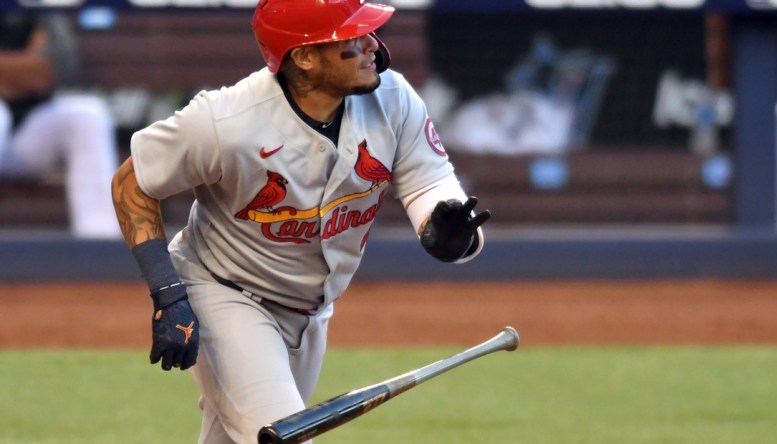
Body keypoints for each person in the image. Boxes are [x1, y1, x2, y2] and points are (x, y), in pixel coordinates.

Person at [110, 1, 491, 442]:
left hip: (311, 311)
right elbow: (131, 183)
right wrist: (168, 292)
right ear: (304, 57)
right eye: (352, 37)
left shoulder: (393, 97)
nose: (372, 44)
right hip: (225, 294)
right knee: (287, 435)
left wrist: (445, 230)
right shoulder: (225, 121)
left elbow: (431, 181)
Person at [0, 12, 120, 239]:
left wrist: (15, 77)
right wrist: (20, 71)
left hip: (29, 133)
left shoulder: (33, 10)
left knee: (88, 114)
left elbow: (51, 69)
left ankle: (99, 242)